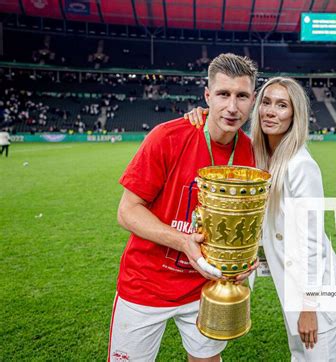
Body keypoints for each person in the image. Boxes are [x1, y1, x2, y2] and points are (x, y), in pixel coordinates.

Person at [109, 53, 259, 362]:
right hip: (146, 285)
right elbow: (127, 211)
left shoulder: (249, 153)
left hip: (204, 288)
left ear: (252, 99)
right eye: (223, 94)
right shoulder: (167, 137)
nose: (232, 107)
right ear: (207, 95)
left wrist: (241, 261)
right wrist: (183, 243)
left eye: (241, 96)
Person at [186, 77, 336, 361]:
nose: (271, 111)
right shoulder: (259, 157)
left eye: (282, 105)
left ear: (294, 114)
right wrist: (200, 115)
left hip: (315, 293)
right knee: (300, 356)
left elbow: (312, 243)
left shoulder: (301, 166)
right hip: (291, 286)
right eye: (267, 103)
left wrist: (309, 308)